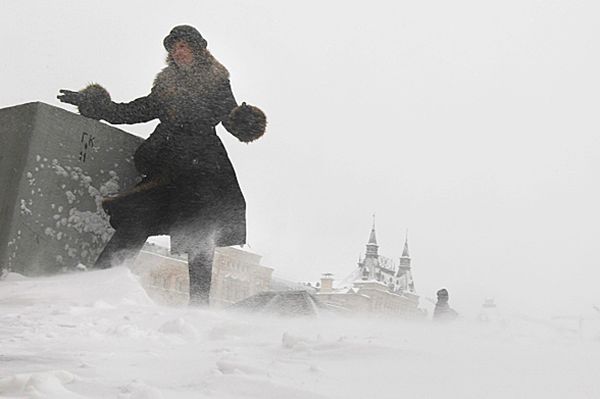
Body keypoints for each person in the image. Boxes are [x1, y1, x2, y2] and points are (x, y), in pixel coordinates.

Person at [57, 25, 266, 305]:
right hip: (167, 166)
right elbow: (134, 111)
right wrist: (96, 105)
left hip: (203, 167)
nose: (178, 52)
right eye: (173, 47)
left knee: (200, 233)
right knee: (137, 219)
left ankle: (199, 307)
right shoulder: (166, 84)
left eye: (183, 46)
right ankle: (96, 285)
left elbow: (230, 117)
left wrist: (245, 121)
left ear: (198, 49)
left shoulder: (216, 80)